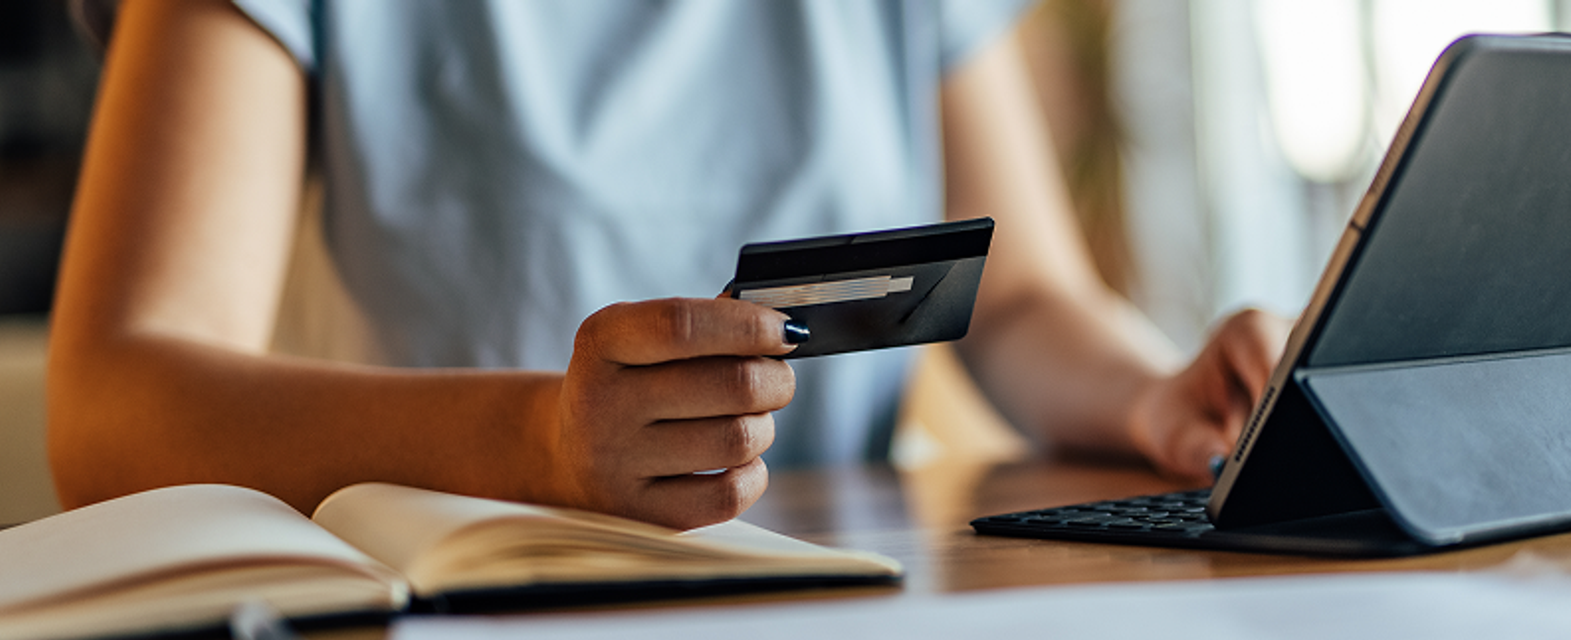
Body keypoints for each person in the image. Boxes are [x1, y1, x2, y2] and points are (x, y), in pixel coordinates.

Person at [47, 0, 1292, 529]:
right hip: (480, 596)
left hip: (842, 596)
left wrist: (1151, 394)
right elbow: (114, 400)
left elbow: (1019, 297)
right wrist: (543, 440)